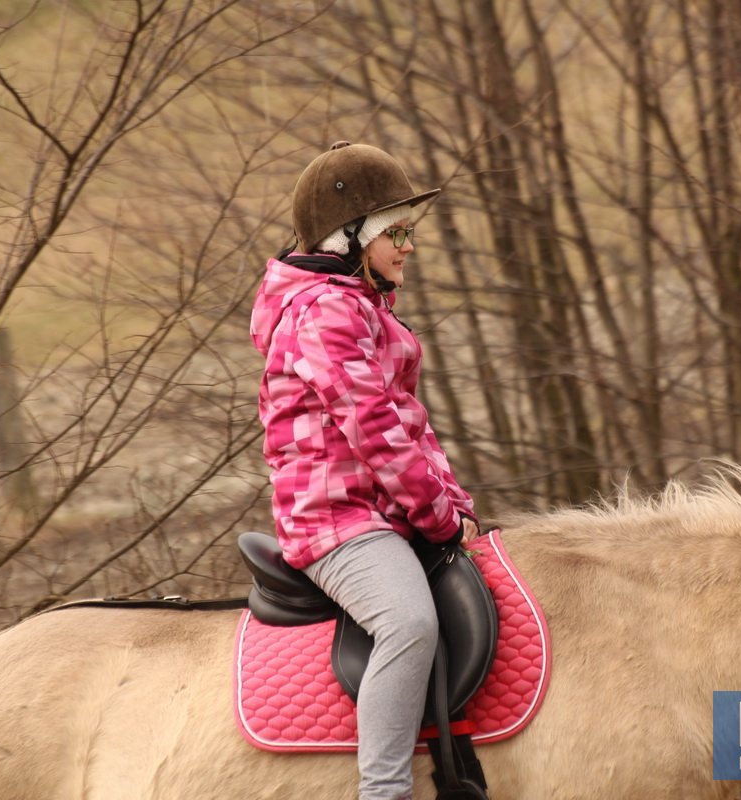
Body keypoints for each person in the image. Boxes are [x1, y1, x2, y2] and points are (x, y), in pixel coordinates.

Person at [250, 141, 479, 800]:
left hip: (380, 510)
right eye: (396, 232)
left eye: (411, 231)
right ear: (348, 239)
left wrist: (454, 506)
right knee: (409, 622)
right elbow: (375, 431)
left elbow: (412, 424)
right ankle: (384, 789)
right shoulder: (326, 312)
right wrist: (433, 516)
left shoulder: (367, 307)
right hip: (335, 519)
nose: (409, 246)